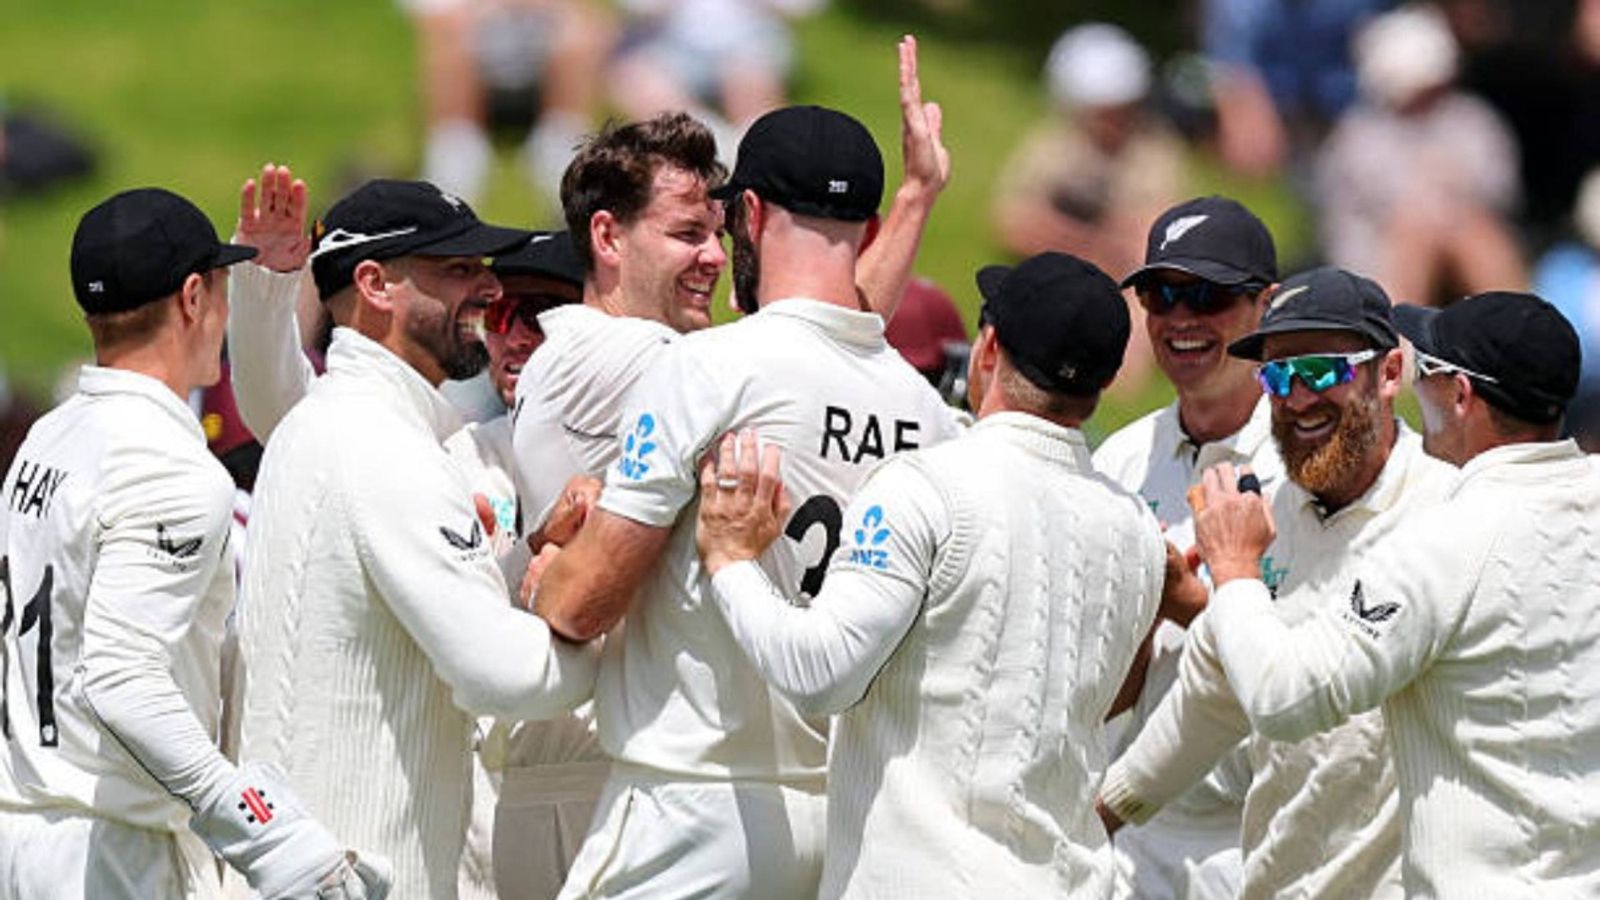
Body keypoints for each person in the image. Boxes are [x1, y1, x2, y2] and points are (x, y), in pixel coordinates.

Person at [531, 103, 963, 898]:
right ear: (868, 230)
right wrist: (920, 197)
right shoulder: (928, 415)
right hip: (839, 822)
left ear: (751, 215)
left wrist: (548, 564)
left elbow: (584, 605)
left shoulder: (710, 368)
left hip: (687, 799)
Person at [691, 251, 1164, 897]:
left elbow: (818, 675)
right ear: (1101, 385)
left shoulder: (925, 486)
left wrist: (733, 561)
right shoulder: (1136, 525)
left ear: (988, 347)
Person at [226, 164, 600, 899]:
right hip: (359, 873)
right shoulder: (386, 446)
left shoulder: (356, 424)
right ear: (375, 285)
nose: (490, 293)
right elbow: (503, 672)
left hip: (323, 867)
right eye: (459, 269)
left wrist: (526, 554)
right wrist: (643, 631)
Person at [0, 188, 386, 898]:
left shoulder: (48, 439)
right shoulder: (171, 469)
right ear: (190, 298)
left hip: (24, 832)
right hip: (116, 849)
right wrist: (262, 827)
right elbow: (121, 680)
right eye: (221, 287)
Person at [1187, 290, 1599, 895]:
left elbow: (1283, 699)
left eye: (1426, 374)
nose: (1413, 392)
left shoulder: (1439, 542)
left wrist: (1235, 569)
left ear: (1459, 396)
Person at [1097, 266, 1457, 900]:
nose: (1295, 399)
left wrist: (1233, 574)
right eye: (1277, 376)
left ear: (1391, 374)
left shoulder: (1445, 516)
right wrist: (1107, 811)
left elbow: (1290, 699)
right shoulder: (1273, 513)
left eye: (1320, 371)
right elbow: (1213, 684)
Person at [512, 35, 950, 538]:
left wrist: (917, 196)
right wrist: (914, 198)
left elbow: (821, 333)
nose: (717, 256)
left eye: (718, 233)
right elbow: (817, 339)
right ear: (609, 237)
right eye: (686, 234)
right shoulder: (605, 352)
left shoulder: (656, 359)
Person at [1092, 195, 1281, 900]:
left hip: (1254, 839)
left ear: (1267, 304)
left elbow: (1316, 678)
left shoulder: (1303, 465)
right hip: (1124, 836)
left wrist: (1191, 605)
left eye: (1208, 294)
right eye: (1160, 294)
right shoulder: (1119, 457)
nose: (1180, 319)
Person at [1316, 3, 1526, 305]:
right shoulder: (1357, 138)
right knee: (1415, 234)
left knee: (1477, 234)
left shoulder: (1473, 121)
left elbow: (1499, 195)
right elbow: (1356, 227)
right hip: (1379, 264)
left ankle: (1517, 334)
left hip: (1462, 246)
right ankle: (1402, 343)